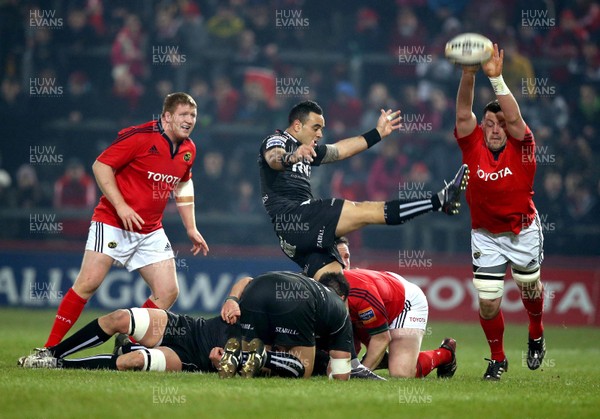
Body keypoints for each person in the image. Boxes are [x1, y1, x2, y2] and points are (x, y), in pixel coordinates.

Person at [42, 92, 209, 348]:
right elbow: (101, 165)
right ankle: (48, 348)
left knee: (167, 292)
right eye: (183, 115)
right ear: (166, 117)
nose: (189, 120)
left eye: (193, 115)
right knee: (88, 283)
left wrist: (191, 227)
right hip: (112, 221)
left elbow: (184, 185)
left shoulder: (189, 150)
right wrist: (121, 206)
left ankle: (128, 342)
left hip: (151, 229)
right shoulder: (141, 136)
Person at [258, 100, 469, 280]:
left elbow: (340, 150)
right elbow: (273, 157)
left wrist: (377, 134)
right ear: (297, 126)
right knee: (366, 211)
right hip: (297, 216)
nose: (321, 134)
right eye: (316, 128)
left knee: (335, 289)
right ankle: (440, 201)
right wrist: (291, 157)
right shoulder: (278, 140)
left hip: (294, 235)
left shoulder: (308, 151)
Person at [454, 43, 546, 380]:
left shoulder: (524, 148)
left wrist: (496, 79)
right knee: (489, 302)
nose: (494, 129)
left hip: (523, 229)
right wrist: (468, 74)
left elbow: (517, 119)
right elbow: (464, 113)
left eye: (499, 124)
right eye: (489, 123)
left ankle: (536, 333)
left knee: (529, 289)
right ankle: (498, 358)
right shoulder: (473, 143)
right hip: (486, 234)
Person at [324, 237, 457, 379]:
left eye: (347, 257)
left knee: (401, 373)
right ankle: (383, 358)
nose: (345, 263)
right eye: (340, 258)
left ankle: (445, 353)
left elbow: (381, 337)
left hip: (404, 301)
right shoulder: (324, 285)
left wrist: (361, 371)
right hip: (378, 299)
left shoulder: (360, 291)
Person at [218, 271, 354, 381]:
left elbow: (247, 280)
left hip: (256, 287)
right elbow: (341, 374)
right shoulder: (340, 309)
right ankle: (263, 356)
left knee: (251, 371)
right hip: (296, 297)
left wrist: (232, 299)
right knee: (303, 371)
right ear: (342, 297)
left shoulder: (306, 282)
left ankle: (239, 356)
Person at [19, 308, 228, 373]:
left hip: (193, 358)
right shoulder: (258, 300)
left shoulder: (261, 344)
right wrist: (233, 299)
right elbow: (245, 281)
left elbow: (261, 368)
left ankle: (55, 364)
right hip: (188, 327)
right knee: (119, 318)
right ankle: (52, 352)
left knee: (133, 360)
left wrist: (224, 366)